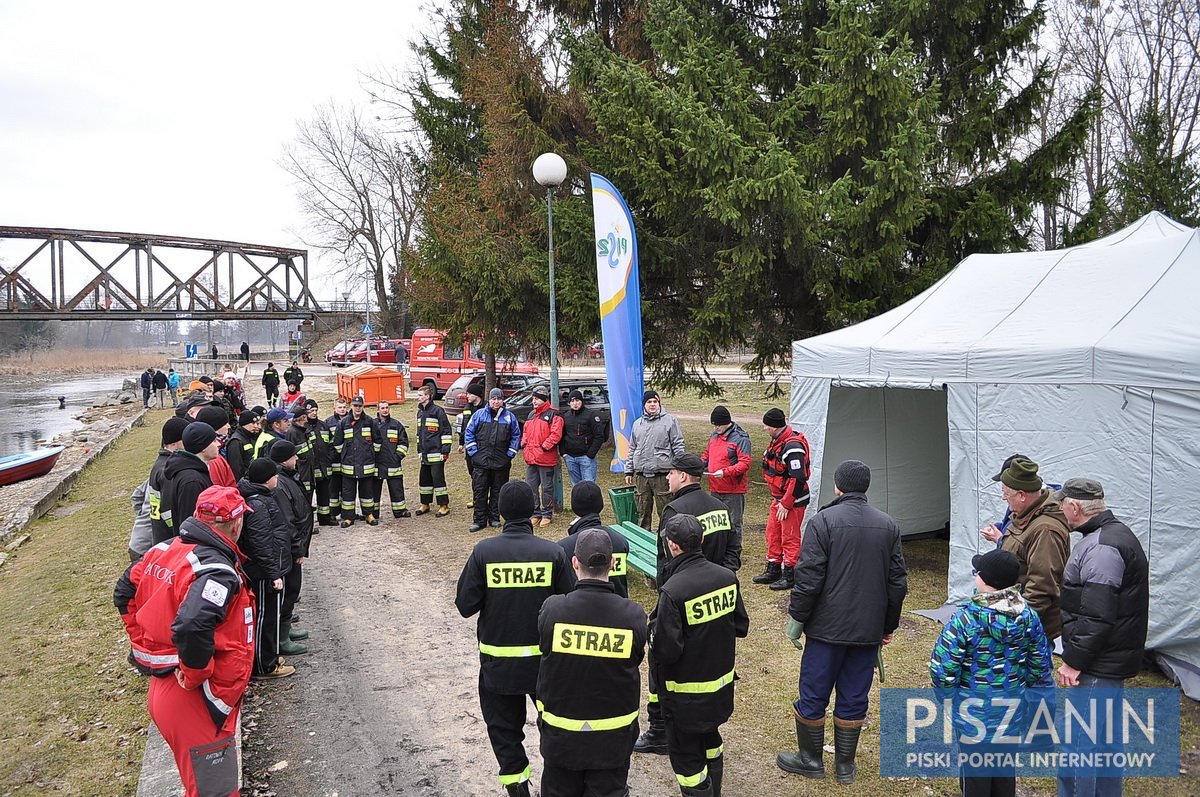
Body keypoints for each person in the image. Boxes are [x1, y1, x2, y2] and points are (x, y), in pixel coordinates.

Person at [113, 485, 255, 797]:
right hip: (194, 698)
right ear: (236, 524)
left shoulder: (162, 551)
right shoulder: (216, 571)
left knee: (202, 785)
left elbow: (124, 593)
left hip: (168, 688)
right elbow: (192, 624)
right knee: (215, 791)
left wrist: (147, 646)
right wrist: (196, 672)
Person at [777, 460, 907, 784]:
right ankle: (844, 767)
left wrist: (797, 618)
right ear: (865, 487)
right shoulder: (888, 525)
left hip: (825, 630)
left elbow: (808, 579)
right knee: (854, 694)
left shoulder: (822, 522)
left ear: (838, 486)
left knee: (814, 691)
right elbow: (897, 583)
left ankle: (810, 759)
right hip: (866, 631)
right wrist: (887, 627)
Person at [455, 481, 572, 796]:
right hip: (545, 665)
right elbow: (571, 604)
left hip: (498, 666)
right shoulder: (554, 553)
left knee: (505, 732)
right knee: (558, 728)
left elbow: (465, 606)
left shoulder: (484, 552)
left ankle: (518, 788)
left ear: (502, 512)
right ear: (532, 510)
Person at [634, 455, 739, 757]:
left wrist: (668, 591)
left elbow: (665, 561)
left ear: (683, 475)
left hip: (681, 595)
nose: (667, 478)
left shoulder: (675, 510)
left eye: (670, 472)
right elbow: (734, 546)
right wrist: (725, 574)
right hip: (715, 596)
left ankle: (658, 729)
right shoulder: (720, 507)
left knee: (661, 662)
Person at [1053, 478, 1149, 797]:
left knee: (1077, 746)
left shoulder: (1101, 547)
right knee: (1105, 745)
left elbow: (1098, 615)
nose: (1059, 509)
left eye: (1062, 504)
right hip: (1111, 660)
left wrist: (1073, 662)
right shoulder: (1112, 535)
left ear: (1075, 507)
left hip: (1098, 664)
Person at [930, 549, 1052, 797]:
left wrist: (948, 699)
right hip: (1011, 708)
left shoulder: (965, 619)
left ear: (985, 582)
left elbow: (944, 668)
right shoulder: (1029, 616)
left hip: (972, 712)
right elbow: (1039, 664)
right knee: (1005, 768)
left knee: (975, 773)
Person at [536, 528, 648, 797]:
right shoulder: (633, 615)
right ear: (612, 564)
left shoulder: (553, 609)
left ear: (575, 563)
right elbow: (636, 658)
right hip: (614, 739)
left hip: (561, 738)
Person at [651, 514, 749, 797]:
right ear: (702, 540)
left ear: (673, 546)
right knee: (711, 740)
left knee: (688, 762)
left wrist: (652, 632)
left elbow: (667, 652)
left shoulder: (673, 591)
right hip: (719, 689)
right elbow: (741, 626)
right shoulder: (726, 577)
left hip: (684, 697)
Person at [976, 457, 1070, 642]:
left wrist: (1018, 626)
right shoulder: (1025, 515)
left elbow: (1041, 586)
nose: (1003, 497)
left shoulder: (1045, 530)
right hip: (1012, 615)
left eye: (1005, 493)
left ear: (1021, 495)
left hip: (1024, 627)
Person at [237, 458, 295, 679]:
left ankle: (269, 656)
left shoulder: (261, 497)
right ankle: (264, 665)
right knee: (265, 616)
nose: (277, 479)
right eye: (274, 476)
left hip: (269, 568)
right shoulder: (258, 504)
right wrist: (273, 573)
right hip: (263, 572)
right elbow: (260, 543)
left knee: (270, 614)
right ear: (266, 479)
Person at [754, 408, 811, 591]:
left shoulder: (793, 447)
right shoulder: (778, 441)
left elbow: (799, 477)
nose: (765, 429)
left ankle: (790, 575)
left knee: (790, 538)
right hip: (779, 498)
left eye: (767, 426)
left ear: (774, 427)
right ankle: (773, 569)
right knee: (773, 533)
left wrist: (787, 503)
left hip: (792, 501)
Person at [270, 440, 313, 656]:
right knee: (288, 591)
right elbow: (287, 521)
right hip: (288, 550)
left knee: (293, 589)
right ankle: (281, 638)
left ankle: (286, 629)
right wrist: (297, 549)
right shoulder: (280, 485)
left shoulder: (287, 478)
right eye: (294, 456)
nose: (297, 459)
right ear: (284, 459)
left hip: (294, 547)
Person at [128, 417, 190, 562]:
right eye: (186, 439)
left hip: (143, 542)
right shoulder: (168, 471)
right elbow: (170, 515)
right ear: (174, 443)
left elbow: (137, 496)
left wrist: (146, 515)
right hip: (148, 548)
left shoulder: (160, 464)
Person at [557, 481, 631, 598]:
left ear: (574, 506)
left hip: (580, 610)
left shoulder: (564, 548)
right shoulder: (620, 541)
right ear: (600, 504)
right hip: (618, 607)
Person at [624, 390, 685, 530]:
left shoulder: (670, 421)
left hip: (662, 475)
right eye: (649, 402)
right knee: (642, 511)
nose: (652, 405)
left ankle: (667, 538)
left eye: (655, 402)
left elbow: (678, 445)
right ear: (644, 405)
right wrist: (628, 471)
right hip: (642, 475)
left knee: (666, 511)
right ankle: (643, 537)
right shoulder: (637, 424)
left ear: (659, 403)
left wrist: (679, 468)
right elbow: (632, 448)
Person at [465, 388, 522, 532]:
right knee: (480, 491)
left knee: (498, 491)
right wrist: (474, 452)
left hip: (501, 462)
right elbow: (469, 432)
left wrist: (510, 453)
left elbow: (516, 435)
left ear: (503, 401)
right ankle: (479, 520)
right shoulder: (479, 415)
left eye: (499, 399)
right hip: (481, 461)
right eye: (493, 399)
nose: (496, 402)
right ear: (489, 400)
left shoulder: (510, 417)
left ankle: (494, 518)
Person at [152, 423, 219, 544]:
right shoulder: (192, 481)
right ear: (203, 447)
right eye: (214, 441)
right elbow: (190, 524)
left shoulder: (195, 471)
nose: (218, 444)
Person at [701, 406, 751, 546]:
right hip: (715, 488)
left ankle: (734, 549)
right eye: (714, 425)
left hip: (733, 490)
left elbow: (745, 463)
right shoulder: (714, 436)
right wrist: (699, 465)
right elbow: (707, 455)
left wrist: (725, 472)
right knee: (716, 520)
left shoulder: (741, 438)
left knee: (734, 522)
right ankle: (718, 546)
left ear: (726, 422)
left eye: (718, 425)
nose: (715, 427)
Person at [334, 396, 380, 526]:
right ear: (351, 406)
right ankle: (349, 517)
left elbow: (378, 441)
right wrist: (346, 455)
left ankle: (368, 514)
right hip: (349, 466)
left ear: (363, 406)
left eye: (360, 406)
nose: (357, 408)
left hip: (366, 465)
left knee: (367, 493)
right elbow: (337, 444)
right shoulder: (343, 423)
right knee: (348, 494)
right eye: (355, 405)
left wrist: (369, 453)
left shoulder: (370, 422)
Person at [523, 385, 564, 526]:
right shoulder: (531, 414)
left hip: (545, 457)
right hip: (531, 457)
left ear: (543, 399)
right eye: (533, 398)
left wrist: (544, 447)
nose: (534, 401)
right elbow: (525, 432)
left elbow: (556, 434)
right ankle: (535, 513)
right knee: (531, 486)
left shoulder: (554, 414)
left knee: (547, 488)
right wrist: (524, 443)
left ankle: (547, 513)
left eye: (536, 399)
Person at [414, 384, 452, 517]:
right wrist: (419, 450)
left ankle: (444, 506)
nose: (417, 397)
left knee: (438, 480)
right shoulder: (420, 412)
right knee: (424, 480)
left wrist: (445, 451)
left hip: (437, 453)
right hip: (424, 454)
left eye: (420, 395)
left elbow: (446, 432)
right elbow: (419, 434)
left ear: (427, 396)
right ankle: (425, 504)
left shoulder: (438, 411)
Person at [560, 388, 606, 486]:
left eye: (577, 400)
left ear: (582, 401)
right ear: (569, 403)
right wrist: (563, 452)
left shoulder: (591, 415)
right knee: (576, 487)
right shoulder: (566, 416)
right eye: (572, 401)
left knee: (589, 486)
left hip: (586, 457)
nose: (575, 403)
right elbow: (562, 435)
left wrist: (590, 454)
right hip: (570, 457)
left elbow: (599, 436)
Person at [373, 400, 411, 519]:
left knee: (397, 489)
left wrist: (397, 456)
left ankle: (400, 511)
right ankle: (372, 513)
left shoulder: (396, 425)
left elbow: (404, 443)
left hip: (393, 464)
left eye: (387, 408)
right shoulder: (372, 425)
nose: (385, 410)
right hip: (376, 464)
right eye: (382, 408)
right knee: (373, 491)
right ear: (378, 410)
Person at [305, 400, 337, 526]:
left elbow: (331, 444)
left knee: (324, 496)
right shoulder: (303, 427)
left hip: (324, 469)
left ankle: (325, 519)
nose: (314, 413)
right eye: (311, 411)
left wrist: (330, 458)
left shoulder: (323, 426)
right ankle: (309, 523)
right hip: (310, 471)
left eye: (315, 410)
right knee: (307, 497)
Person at [459, 382, 485, 508]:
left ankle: (482, 498)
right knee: (472, 473)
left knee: (481, 474)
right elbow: (464, 426)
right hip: (470, 446)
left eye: (469, 394)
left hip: (482, 446)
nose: (467, 396)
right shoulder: (467, 408)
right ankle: (476, 498)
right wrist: (461, 442)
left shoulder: (485, 408)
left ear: (476, 395)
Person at [196, 406, 236, 489]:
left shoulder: (222, 447)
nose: (229, 427)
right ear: (215, 428)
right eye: (225, 424)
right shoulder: (212, 458)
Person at [324, 398, 350, 524]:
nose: (342, 409)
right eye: (340, 407)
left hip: (349, 462)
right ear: (334, 408)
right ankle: (333, 513)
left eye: (344, 407)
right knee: (333, 490)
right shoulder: (328, 423)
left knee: (347, 490)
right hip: (334, 462)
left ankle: (348, 513)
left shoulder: (353, 420)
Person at [286, 407, 315, 496]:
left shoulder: (304, 429)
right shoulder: (293, 432)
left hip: (308, 470)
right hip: (301, 472)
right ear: (302, 417)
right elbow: (290, 454)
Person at [225, 411, 260, 483]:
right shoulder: (236, 441)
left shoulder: (251, 436)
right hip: (245, 482)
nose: (256, 426)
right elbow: (236, 468)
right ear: (244, 424)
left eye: (256, 423)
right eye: (253, 423)